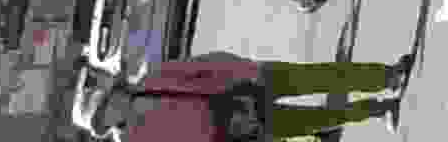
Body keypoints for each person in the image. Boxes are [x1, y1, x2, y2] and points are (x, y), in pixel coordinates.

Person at [121, 49, 416, 141]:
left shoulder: (151, 82)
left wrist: (247, 69)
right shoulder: (136, 139)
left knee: (322, 77)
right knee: (321, 120)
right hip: (245, 132)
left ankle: (388, 76)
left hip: (249, 83)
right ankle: (379, 109)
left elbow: (204, 65)